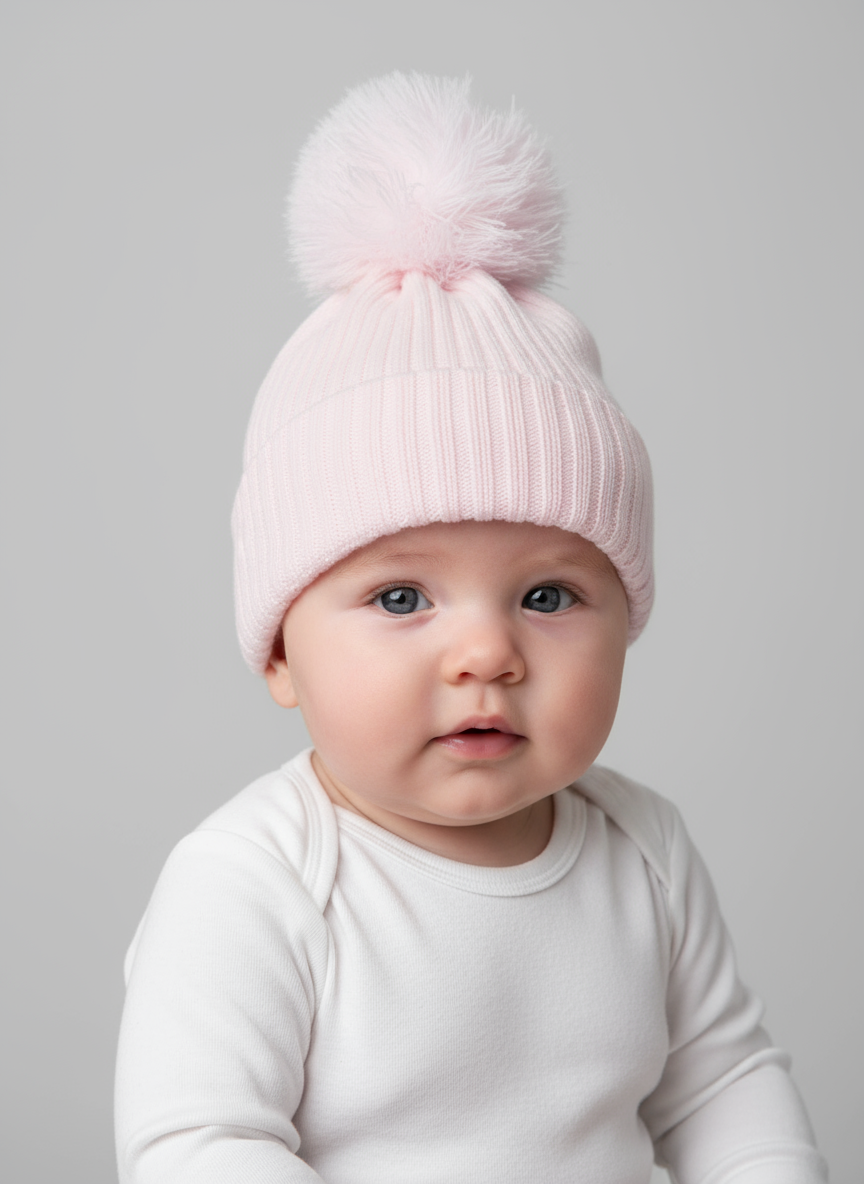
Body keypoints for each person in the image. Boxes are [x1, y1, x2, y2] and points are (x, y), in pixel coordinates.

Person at [114, 72, 828, 1183]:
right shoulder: (253, 880)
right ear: (279, 653)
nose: (488, 652)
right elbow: (199, 1142)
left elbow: (726, 1087)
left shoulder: (643, 851)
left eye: (550, 595)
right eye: (400, 597)